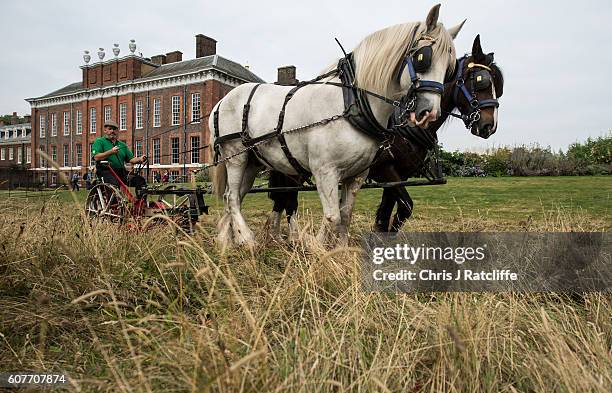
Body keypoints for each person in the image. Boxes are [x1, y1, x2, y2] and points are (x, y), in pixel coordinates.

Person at [92, 120, 147, 194]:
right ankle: (115, 204)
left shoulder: (122, 144)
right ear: (105, 130)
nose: (112, 131)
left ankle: (140, 203)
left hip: (121, 172)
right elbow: (96, 157)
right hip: (105, 171)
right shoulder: (99, 141)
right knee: (114, 184)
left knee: (140, 180)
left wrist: (140, 159)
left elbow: (131, 159)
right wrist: (111, 152)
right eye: (110, 129)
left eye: (114, 129)